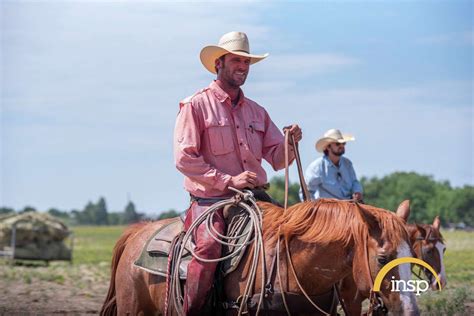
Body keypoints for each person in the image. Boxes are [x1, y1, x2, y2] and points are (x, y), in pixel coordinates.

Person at [173, 31, 302, 315]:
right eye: (236, 60)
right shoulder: (195, 105)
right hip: (212, 201)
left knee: (296, 240)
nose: (243, 67)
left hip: (257, 199)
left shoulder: (258, 112)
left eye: (246, 62)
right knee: (207, 251)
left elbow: (278, 160)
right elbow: (184, 158)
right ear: (219, 63)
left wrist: (290, 144)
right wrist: (229, 181)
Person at [303, 128, 363, 201]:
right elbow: (306, 191)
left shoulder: (348, 164)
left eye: (343, 143)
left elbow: (354, 182)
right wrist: (314, 208)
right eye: (337, 144)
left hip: (348, 206)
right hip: (328, 209)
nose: (341, 146)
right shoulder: (317, 167)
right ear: (328, 147)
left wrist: (357, 191)